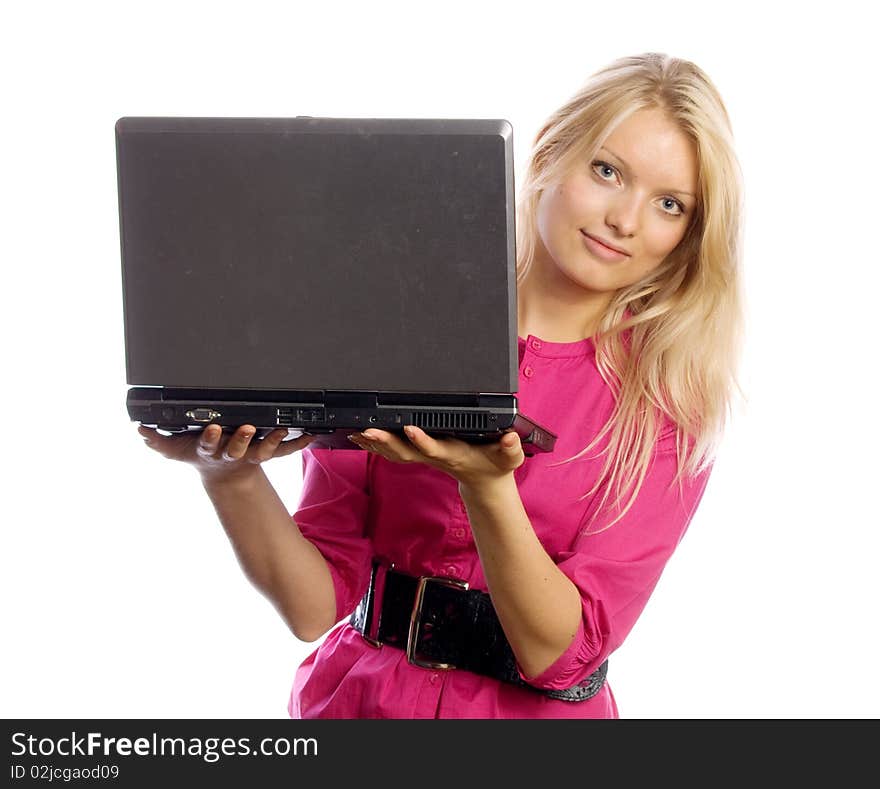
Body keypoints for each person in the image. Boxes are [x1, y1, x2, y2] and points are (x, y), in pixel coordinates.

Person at [139, 51, 744, 718]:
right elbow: (314, 605)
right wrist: (228, 476)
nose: (625, 220)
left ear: (688, 234)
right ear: (550, 153)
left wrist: (487, 487)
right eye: (608, 171)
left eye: (668, 204)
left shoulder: (666, 408)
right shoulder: (391, 333)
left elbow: (562, 654)